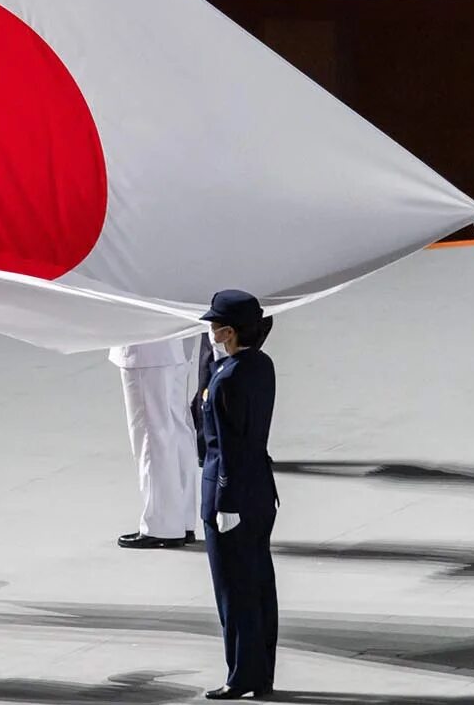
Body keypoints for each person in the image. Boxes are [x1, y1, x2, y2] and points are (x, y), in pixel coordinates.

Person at [197, 290, 279, 701]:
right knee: (260, 584)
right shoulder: (259, 365)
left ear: (229, 332)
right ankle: (261, 671)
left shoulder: (227, 378)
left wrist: (224, 503)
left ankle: (241, 674)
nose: (209, 334)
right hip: (260, 491)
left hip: (230, 495)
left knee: (234, 591)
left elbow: (227, 446)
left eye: (214, 328)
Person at [112, 337, 199, 549]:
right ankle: (183, 519)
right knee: (178, 427)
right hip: (177, 342)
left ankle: (162, 525)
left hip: (146, 346)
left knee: (151, 435)